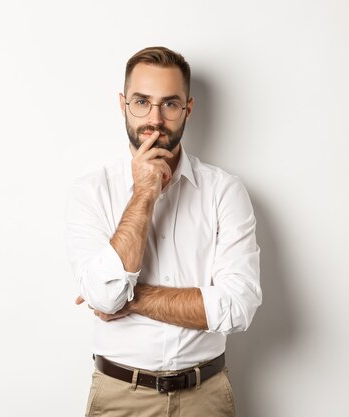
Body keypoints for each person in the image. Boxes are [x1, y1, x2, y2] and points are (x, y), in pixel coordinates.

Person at [66, 46, 261, 417]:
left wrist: (129, 298)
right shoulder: (90, 191)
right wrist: (143, 194)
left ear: (187, 109)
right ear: (123, 104)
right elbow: (104, 298)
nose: (154, 118)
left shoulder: (224, 191)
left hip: (206, 395)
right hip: (120, 396)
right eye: (142, 101)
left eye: (169, 104)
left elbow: (238, 307)